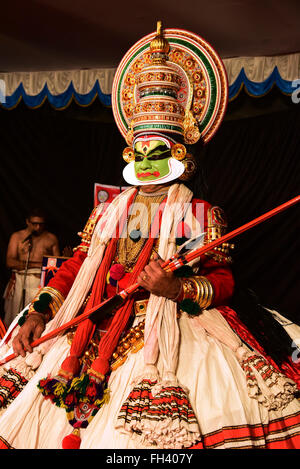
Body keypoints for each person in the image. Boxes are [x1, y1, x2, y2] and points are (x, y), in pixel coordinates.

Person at [0, 23, 299, 450]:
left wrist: (176, 287)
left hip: (166, 327)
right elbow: (75, 267)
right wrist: (38, 312)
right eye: (137, 153)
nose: (145, 162)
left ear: (180, 155)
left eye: (156, 152)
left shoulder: (197, 214)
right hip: (91, 322)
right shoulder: (107, 212)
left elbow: (223, 282)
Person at [3, 208, 60, 327]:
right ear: (27, 222)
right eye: (34, 224)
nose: (38, 227)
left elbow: (56, 265)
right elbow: (10, 262)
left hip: (40, 283)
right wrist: (38, 263)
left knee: (35, 315)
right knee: (14, 318)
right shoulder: (17, 237)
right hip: (20, 281)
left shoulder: (51, 238)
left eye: (41, 224)